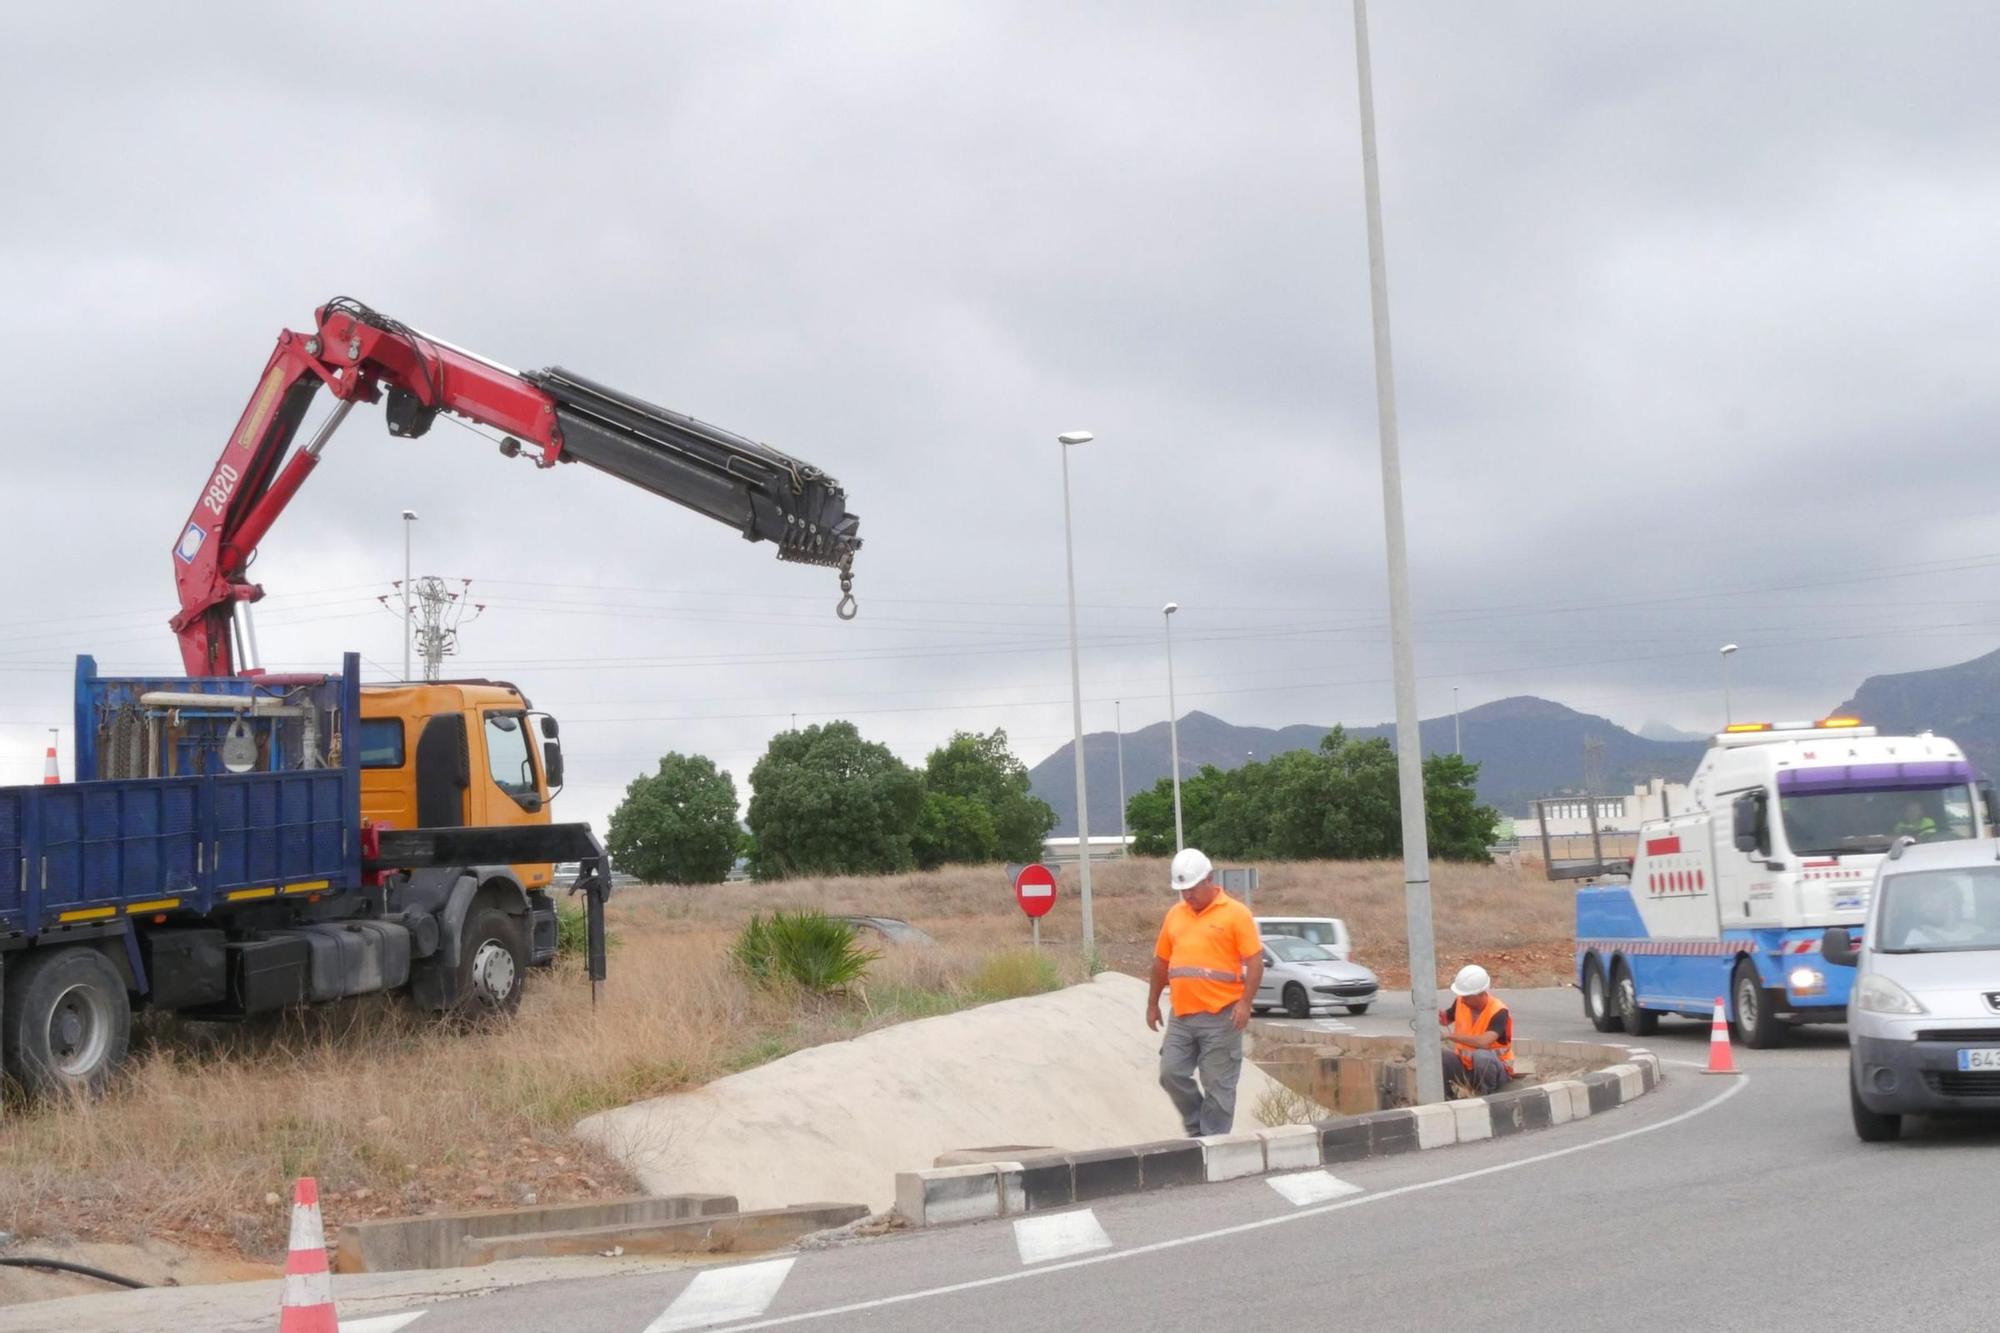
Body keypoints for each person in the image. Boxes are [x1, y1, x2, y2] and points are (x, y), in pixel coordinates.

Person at [1146, 847, 1264, 1137]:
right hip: (1182, 1016)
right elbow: (1161, 962)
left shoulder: (1236, 914)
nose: (1187, 895)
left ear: (1209, 879)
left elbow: (1255, 961)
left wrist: (1245, 1003)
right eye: (1182, 889)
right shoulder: (1175, 915)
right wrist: (1152, 1004)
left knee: (1218, 1086)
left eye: (1192, 888)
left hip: (1222, 1017)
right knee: (1170, 1073)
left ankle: (1213, 1142)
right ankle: (1198, 1127)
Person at [1438, 964, 1513, 1096]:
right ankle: (1447, 1098)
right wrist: (1434, 1015)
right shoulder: (1461, 1002)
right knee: (1441, 1056)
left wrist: (1450, 1036)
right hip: (1467, 1068)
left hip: (1495, 1072)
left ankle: (1489, 1097)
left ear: (1482, 994)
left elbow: (1484, 1042)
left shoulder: (1499, 1011)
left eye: (1467, 996)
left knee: (1482, 1056)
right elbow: (1446, 1019)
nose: (1463, 999)